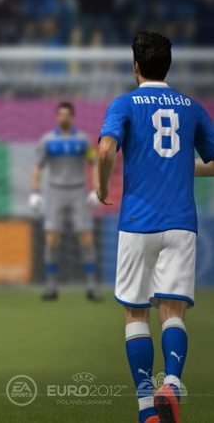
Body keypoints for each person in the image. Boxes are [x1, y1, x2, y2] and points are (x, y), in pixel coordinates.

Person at [97, 31, 214, 423]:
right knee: (173, 310)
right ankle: (173, 383)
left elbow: (106, 149)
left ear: (135, 66)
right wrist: (182, 167)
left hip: (137, 222)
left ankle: (147, 408)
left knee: (136, 315)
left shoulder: (125, 104)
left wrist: (102, 186)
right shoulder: (191, 106)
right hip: (181, 222)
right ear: (168, 65)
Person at [29, 102, 102, 301]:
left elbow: (94, 163)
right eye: (60, 114)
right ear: (56, 117)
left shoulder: (83, 140)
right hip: (55, 191)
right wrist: (34, 192)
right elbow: (38, 167)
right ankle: (51, 286)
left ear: (72, 117)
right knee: (52, 238)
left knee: (86, 238)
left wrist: (96, 189)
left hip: (78, 191)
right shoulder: (47, 140)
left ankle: (91, 286)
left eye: (67, 114)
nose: (64, 117)